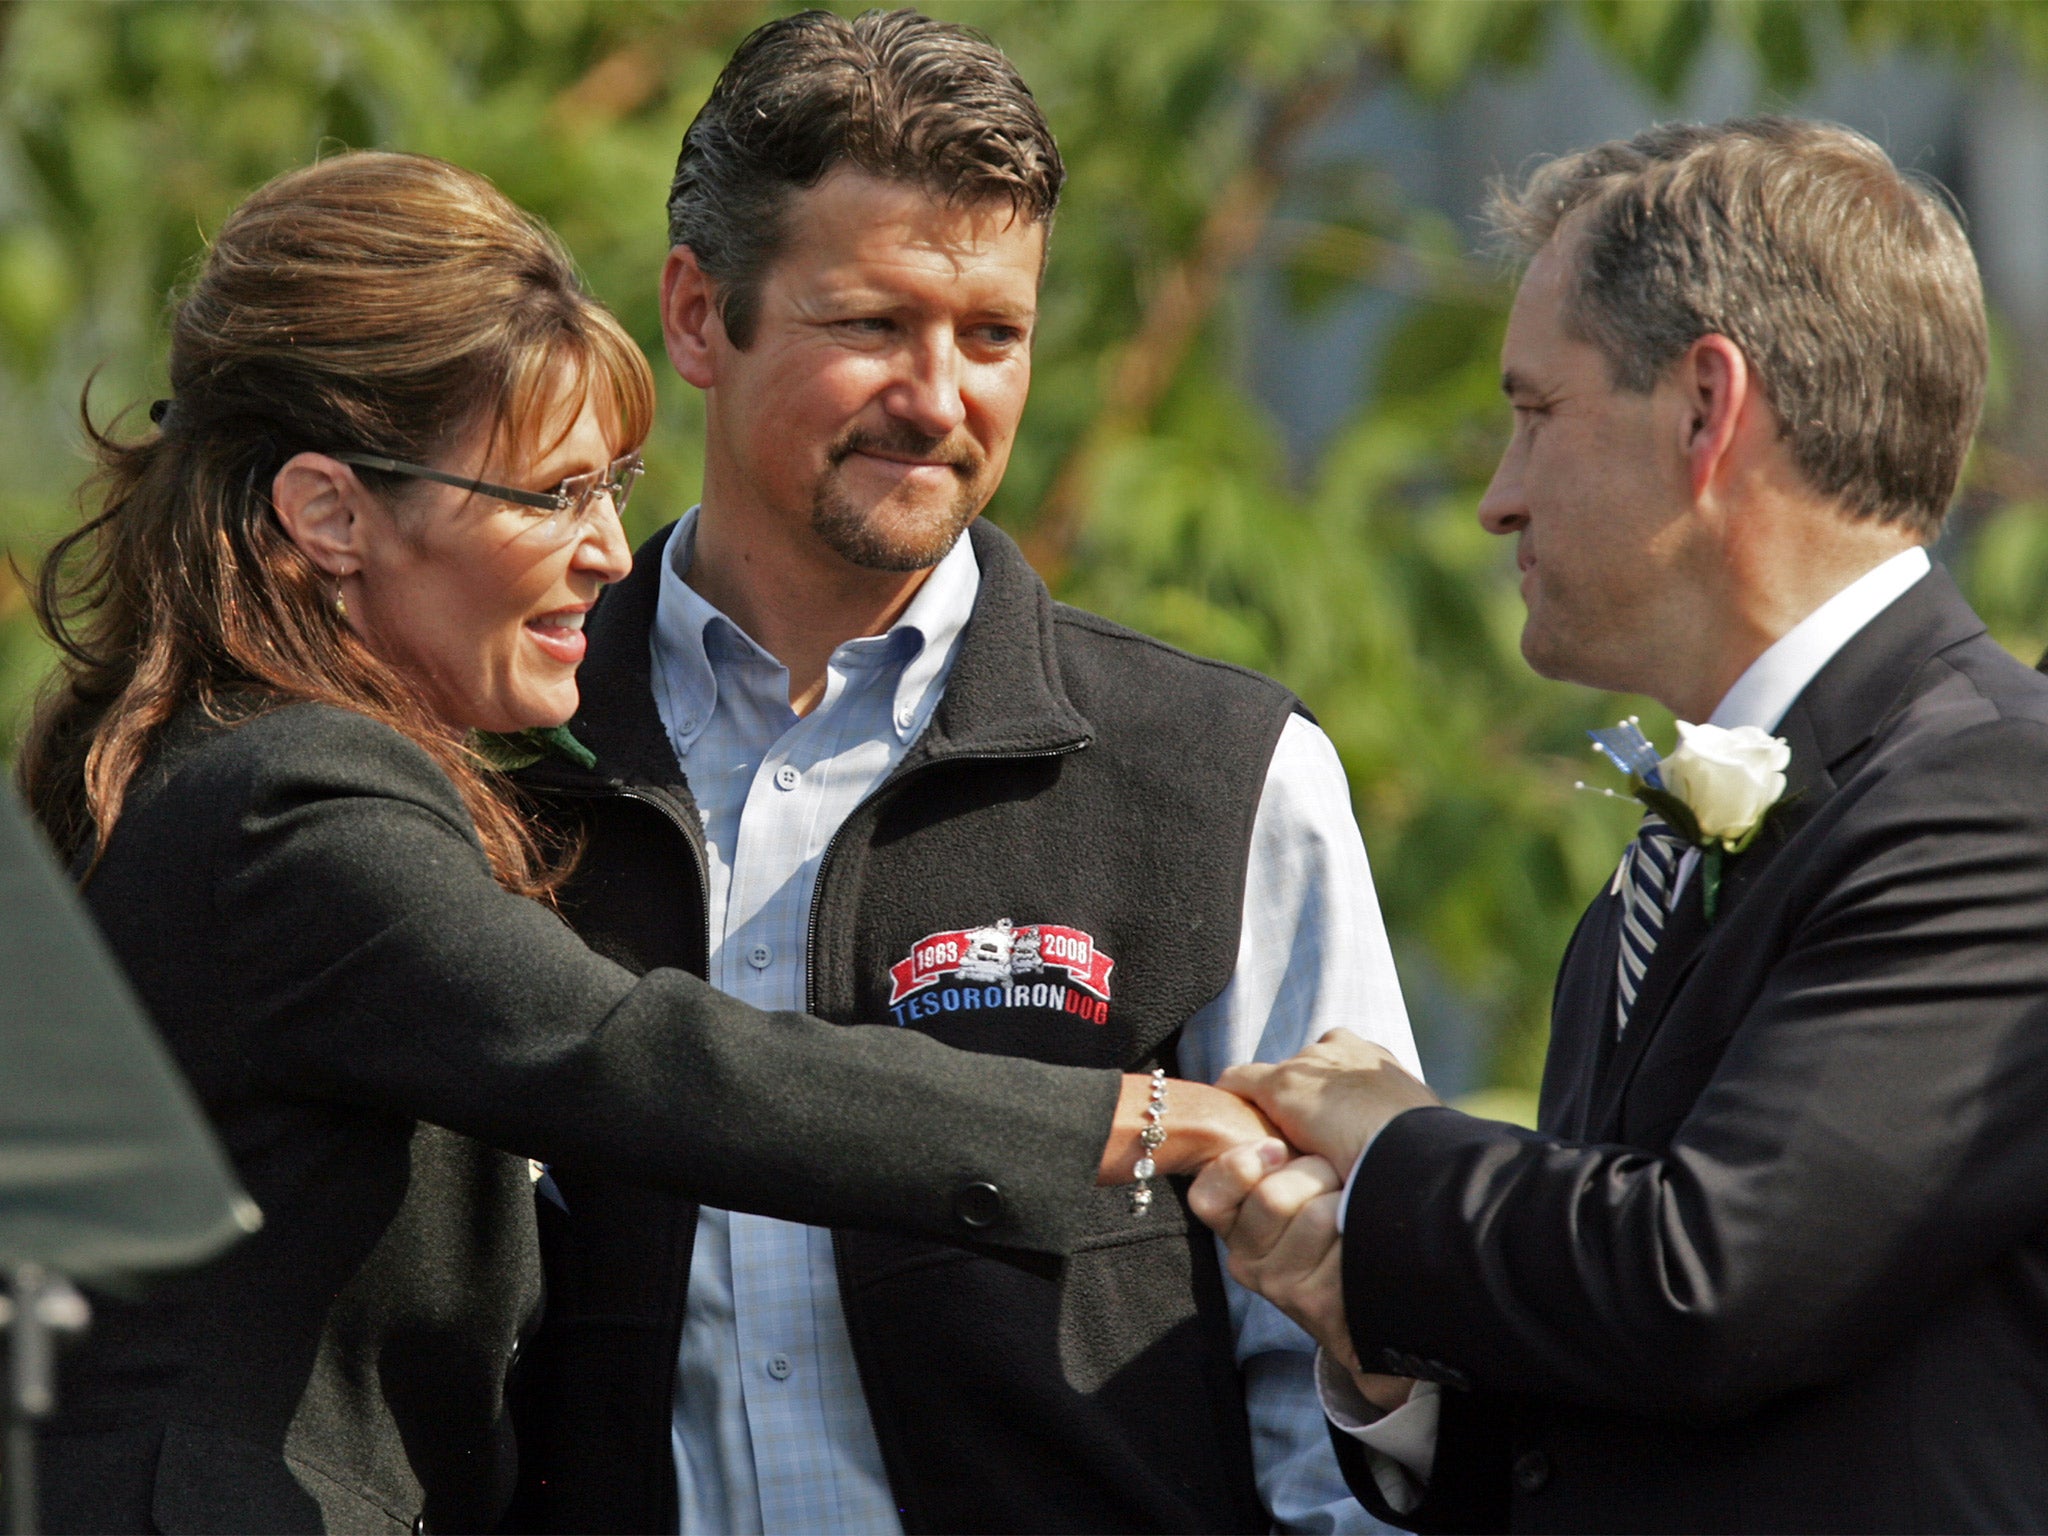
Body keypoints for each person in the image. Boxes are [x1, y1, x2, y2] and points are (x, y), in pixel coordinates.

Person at [14, 149, 1274, 1536]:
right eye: (549, 495)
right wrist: (1134, 1116)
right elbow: (638, 1060)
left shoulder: (225, 765)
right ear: (330, 513)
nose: (610, 547)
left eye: (613, 485)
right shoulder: (291, 800)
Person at [506, 9, 1419, 1535]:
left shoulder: (1223, 773)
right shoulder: (494, 759)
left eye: (992, 335)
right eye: (872, 323)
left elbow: (1335, 1365)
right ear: (694, 315)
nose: (941, 398)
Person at [1190, 115, 2048, 1534]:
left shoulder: (1996, 796)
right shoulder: (1672, 862)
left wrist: (1399, 1150)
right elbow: (1633, 1401)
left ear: (1708, 411)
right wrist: (1381, 1345)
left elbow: (1707, 1277)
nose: (1495, 500)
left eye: (1535, 413)